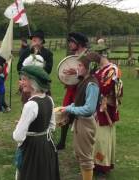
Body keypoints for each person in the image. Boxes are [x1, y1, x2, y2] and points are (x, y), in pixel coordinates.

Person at [13, 65, 59, 180]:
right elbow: (52, 126)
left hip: (32, 148)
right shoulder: (49, 99)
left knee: (31, 174)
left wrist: (20, 126)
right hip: (46, 145)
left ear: (33, 83)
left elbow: (18, 136)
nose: (21, 82)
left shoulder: (30, 105)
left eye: (24, 79)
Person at [60, 54, 99, 180]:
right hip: (80, 121)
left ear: (89, 68)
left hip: (86, 123)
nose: (78, 67)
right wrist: (68, 107)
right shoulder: (84, 80)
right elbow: (80, 103)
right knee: (80, 154)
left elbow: (89, 109)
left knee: (85, 157)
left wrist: (70, 108)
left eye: (81, 65)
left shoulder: (92, 84)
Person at [88, 41, 123, 175]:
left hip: (105, 109)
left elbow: (105, 88)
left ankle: (102, 166)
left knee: (103, 139)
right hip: (95, 107)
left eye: (95, 55)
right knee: (95, 137)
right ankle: (95, 164)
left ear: (101, 55)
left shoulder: (112, 69)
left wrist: (92, 83)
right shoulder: (97, 70)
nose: (93, 58)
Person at [57, 32, 89, 150]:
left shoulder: (88, 55)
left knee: (80, 115)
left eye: (71, 42)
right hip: (71, 89)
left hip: (82, 90)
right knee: (65, 112)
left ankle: (83, 144)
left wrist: (75, 72)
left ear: (79, 43)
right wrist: (66, 79)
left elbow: (90, 73)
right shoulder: (74, 55)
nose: (69, 44)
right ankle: (62, 142)